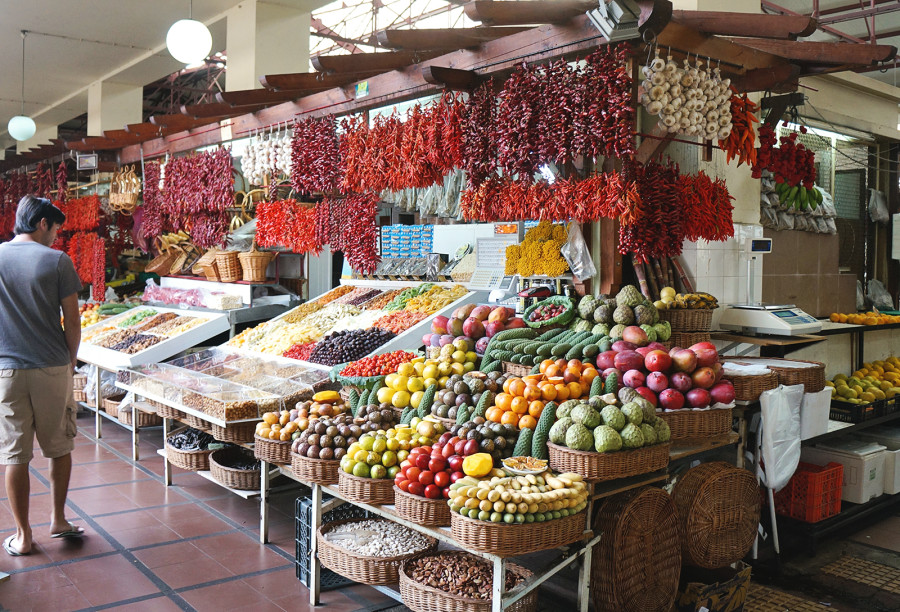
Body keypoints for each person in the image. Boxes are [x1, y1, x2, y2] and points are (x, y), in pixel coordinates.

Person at [0, 195, 84, 556]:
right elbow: (73, 319)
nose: (56, 238)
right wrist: (71, 360)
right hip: (51, 366)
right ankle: (58, 519)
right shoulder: (57, 261)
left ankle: (23, 535)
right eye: (55, 230)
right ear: (41, 224)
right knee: (58, 447)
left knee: (14, 454)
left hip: (7, 369)